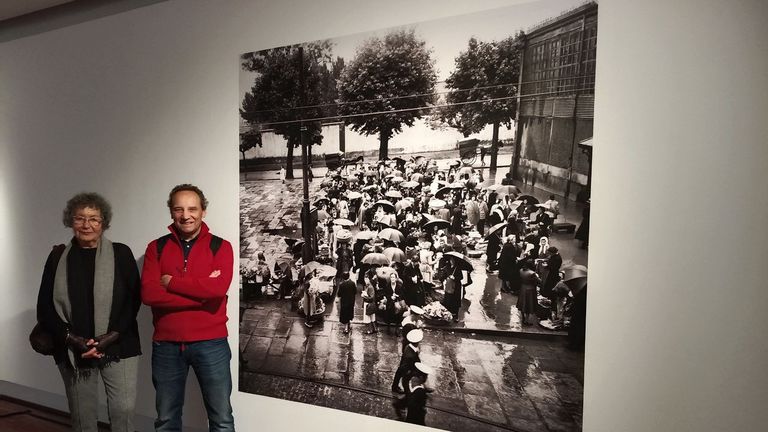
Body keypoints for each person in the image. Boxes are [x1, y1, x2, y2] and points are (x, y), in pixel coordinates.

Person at [36, 192, 142, 432]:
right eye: (79, 218)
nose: (87, 225)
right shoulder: (57, 258)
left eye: (94, 218)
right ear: (70, 221)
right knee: (83, 417)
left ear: (103, 222)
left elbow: (133, 300)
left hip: (119, 346)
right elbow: (45, 307)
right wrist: (73, 339)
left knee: (123, 411)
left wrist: (111, 336)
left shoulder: (121, 253)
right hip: (75, 349)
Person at [141, 184, 235, 432]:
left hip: (212, 343)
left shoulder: (221, 246)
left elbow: (217, 290)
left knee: (222, 420)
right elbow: (149, 294)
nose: (186, 215)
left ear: (203, 211)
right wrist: (202, 295)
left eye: (192, 209)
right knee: (166, 420)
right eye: (179, 209)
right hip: (166, 344)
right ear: (171, 212)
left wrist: (171, 283)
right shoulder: (156, 248)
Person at [391, 329, 422, 394]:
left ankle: (395, 387)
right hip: (407, 367)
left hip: (404, 364)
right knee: (405, 380)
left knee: (398, 375)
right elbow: (409, 363)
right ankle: (406, 393)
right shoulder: (411, 355)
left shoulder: (408, 346)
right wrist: (409, 371)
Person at [362, 270, 379, 334]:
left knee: (368, 317)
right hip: (370, 304)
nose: (365, 280)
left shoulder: (370, 287)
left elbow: (372, 297)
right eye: (365, 279)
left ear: (369, 279)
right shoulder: (368, 286)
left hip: (368, 303)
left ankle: (370, 330)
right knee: (372, 317)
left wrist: (364, 296)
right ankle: (375, 328)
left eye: (367, 279)